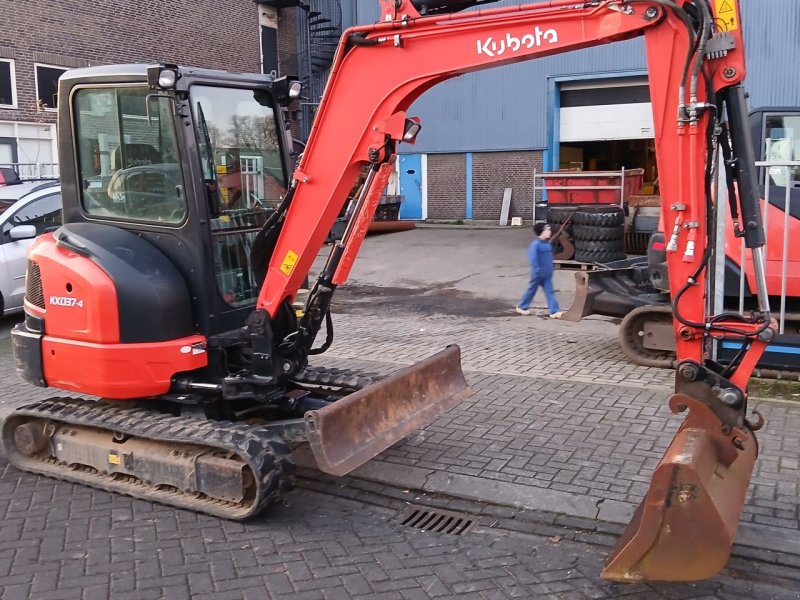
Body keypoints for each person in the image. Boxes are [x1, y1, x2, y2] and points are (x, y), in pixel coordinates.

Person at [516, 222, 564, 318]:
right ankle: (521, 306)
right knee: (531, 290)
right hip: (538, 274)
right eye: (547, 229)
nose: (550, 231)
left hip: (546, 275)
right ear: (541, 232)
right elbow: (533, 259)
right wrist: (537, 271)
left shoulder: (547, 244)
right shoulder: (535, 245)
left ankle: (554, 311)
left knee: (549, 292)